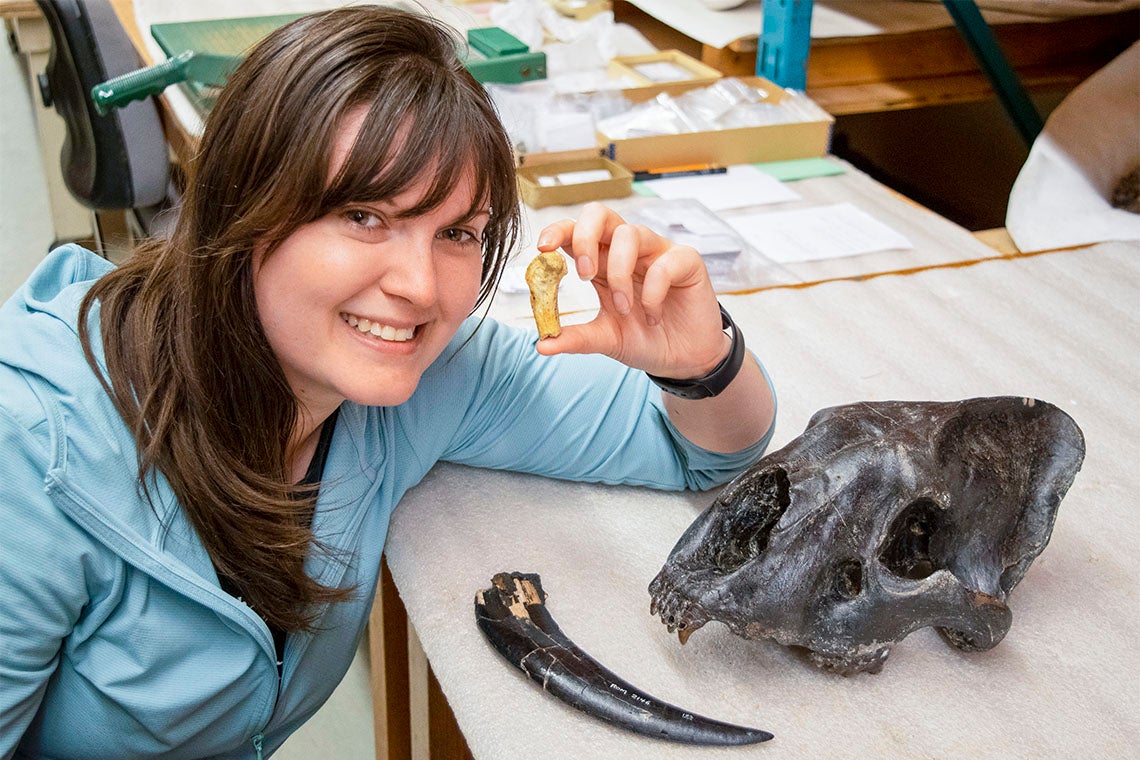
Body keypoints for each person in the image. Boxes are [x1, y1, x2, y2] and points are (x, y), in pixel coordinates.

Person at [0, 5, 775, 757]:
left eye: (456, 233)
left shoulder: (428, 374)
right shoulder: (30, 451)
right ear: (241, 202)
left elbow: (696, 451)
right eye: (365, 216)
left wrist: (699, 363)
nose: (418, 286)